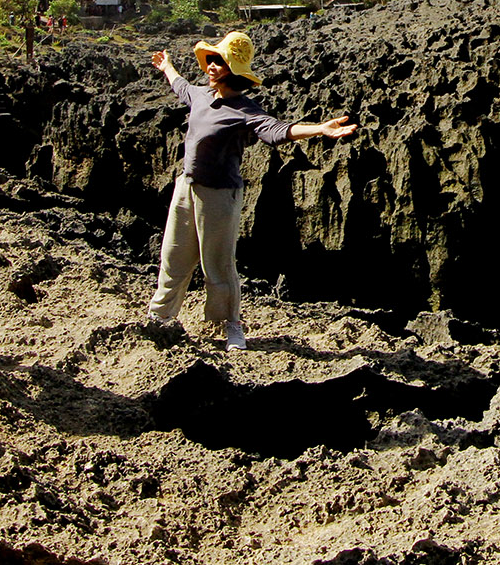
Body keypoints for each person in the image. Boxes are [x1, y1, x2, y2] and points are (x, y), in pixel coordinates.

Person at [147, 30, 357, 350]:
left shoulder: (245, 110)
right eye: (212, 59)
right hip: (186, 188)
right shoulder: (201, 95)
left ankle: (230, 324)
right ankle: (160, 317)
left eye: (220, 61)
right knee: (173, 257)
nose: (213, 66)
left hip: (219, 195)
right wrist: (167, 67)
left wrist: (319, 129)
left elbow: (276, 131)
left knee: (217, 265)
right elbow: (181, 87)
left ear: (235, 70)